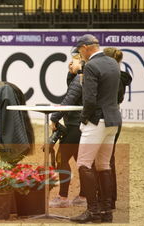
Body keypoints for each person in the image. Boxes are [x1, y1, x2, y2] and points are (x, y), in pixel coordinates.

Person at [70, 34, 121, 223]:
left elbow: (89, 99)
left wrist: (83, 120)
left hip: (97, 121)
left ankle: (92, 211)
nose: (80, 54)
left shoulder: (91, 66)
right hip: (113, 120)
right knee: (104, 165)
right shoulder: (112, 63)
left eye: (80, 51)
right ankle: (106, 212)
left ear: (85, 48)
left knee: (83, 164)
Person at [48, 54, 86, 208]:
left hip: (74, 125)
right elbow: (73, 91)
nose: (71, 63)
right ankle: (84, 196)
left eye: (74, 61)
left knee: (61, 160)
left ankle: (63, 198)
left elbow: (69, 99)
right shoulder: (81, 78)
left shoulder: (80, 79)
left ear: (81, 63)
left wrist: (55, 118)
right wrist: (71, 73)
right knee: (82, 161)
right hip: (79, 125)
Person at [102, 47, 133, 210]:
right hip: (115, 116)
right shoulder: (120, 77)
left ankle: (108, 198)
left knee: (105, 159)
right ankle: (110, 197)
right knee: (108, 158)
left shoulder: (115, 79)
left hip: (107, 117)